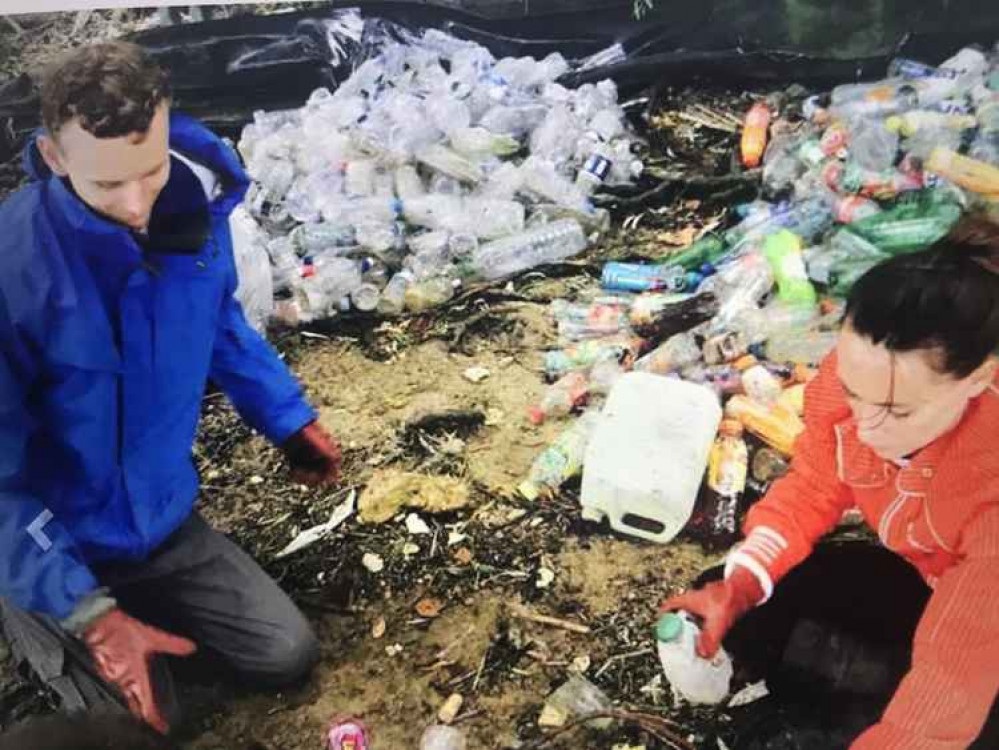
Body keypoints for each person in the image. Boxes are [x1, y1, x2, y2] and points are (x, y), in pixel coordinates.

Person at [0, 41, 342, 735]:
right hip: (54, 536)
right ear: (56, 158)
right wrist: (90, 615)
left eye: (149, 172)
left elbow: (222, 330)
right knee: (148, 730)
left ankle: (142, 611)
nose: (136, 208)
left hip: (159, 524)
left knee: (286, 653)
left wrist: (286, 419)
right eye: (106, 186)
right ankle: (40, 612)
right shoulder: (15, 272)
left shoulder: (192, 224)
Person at [664, 219, 999, 749]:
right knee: (751, 588)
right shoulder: (859, 382)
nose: (863, 426)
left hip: (986, 625)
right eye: (852, 390)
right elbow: (814, 486)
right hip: (928, 575)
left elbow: (958, 666)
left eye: (896, 410)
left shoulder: (990, 486)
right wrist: (744, 584)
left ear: (979, 380)